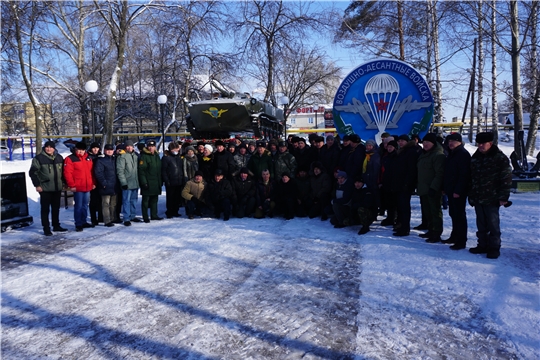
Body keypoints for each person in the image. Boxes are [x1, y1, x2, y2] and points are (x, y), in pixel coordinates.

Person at [468, 132, 512, 259]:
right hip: (478, 196)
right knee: (481, 223)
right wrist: (471, 194)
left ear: (490, 143)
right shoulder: (475, 158)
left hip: (492, 197)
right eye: (479, 144)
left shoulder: (499, 158)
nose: (481, 146)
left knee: (493, 224)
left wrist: (504, 196)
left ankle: (494, 248)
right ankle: (482, 245)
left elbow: (506, 178)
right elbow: (471, 178)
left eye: (483, 144)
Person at [29, 141, 68, 236]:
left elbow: (63, 173)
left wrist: (64, 183)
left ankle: (56, 225)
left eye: (51, 147)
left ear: (54, 148)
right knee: (45, 209)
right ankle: (46, 228)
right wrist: (37, 185)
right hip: (45, 188)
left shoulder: (59, 158)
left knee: (56, 208)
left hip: (57, 188)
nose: (49, 149)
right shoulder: (39, 158)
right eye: (47, 147)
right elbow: (33, 173)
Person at [442, 133, 471, 250]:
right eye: (449, 141)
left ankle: (461, 240)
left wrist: (458, 190)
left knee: (459, 215)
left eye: (453, 141)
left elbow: (464, 175)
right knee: (453, 214)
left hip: (458, 191)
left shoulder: (462, 154)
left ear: (459, 142)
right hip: (451, 190)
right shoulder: (452, 154)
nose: (450, 143)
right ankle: (454, 236)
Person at [416, 133, 446, 243]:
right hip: (423, 188)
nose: (425, 144)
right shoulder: (424, 154)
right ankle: (431, 230)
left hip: (432, 189)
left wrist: (434, 187)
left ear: (433, 143)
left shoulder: (438, 155)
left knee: (435, 212)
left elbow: (440, 173)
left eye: (427, 142)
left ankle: (437, 232)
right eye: (424, 142)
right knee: (427, 212)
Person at [64, 141, 96, 231]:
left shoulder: (88, 158)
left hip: (87, 186)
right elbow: (68, 173)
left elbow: (91, 172)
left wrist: (93, 183)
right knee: (78, 205)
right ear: (75, 149)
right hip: (78, 187)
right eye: (79, 150)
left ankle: (84, 221)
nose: (81, 152)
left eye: (82, 150)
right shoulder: (70, 159)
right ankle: (78, 223)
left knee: (85, 205)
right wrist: (72, 185)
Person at [94, 144, 119, 227]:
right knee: (105, 204)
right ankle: (107, 220)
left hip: (114, 185)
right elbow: (98, 173)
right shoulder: (100, 161)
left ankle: (113, 218)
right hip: (106, 185)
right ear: (104, 151)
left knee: (113, 204)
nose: (109, 151)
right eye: (107, 150)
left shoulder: (115, 159)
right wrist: (103, 183)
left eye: (111, 150)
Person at [117, 140, 140, 226]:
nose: (130, 148)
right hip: (127, 183)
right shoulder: (122, 156)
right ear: (125, 147)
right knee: (126, 201)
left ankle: (132, 216)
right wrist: (123, 182)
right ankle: (126, 217)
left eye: (131, 146)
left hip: (135, 182)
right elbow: (120, 171)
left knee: (134, 200)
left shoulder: (135, 156)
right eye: (128, 146)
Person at [138, 140, 162, 222]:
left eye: (152, 146)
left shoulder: (157, 155)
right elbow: (141, 171)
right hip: (148, 182)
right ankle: (145, 216)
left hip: (156, 182)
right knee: (146, 201)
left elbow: (159, 170)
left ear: (155, 147)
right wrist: (144, 182)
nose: (151, 148)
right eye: (149, 146)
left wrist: (160, 181)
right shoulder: (144, 156)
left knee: (154, 200)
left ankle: (154, 215)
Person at [162, 141, 185, 218]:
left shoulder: (178, 158)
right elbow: (164, 170)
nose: (175, 151)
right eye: (173, 149)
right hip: (170, 181)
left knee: (177, 198)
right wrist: (166, 180)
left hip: (178, 180)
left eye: (176, 149)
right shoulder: (166, 158)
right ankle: (169, 212)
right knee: (170, 198)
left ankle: (176, 211)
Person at [88, 142, 103, 226]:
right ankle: (93, 219)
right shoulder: (88, 157)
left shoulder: (101, 156)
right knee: (93, 201)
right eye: (94, 148)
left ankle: (101, 217)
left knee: (101, 200)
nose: (95, 150)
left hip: (100, 181)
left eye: (97, 148)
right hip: (92, 181)